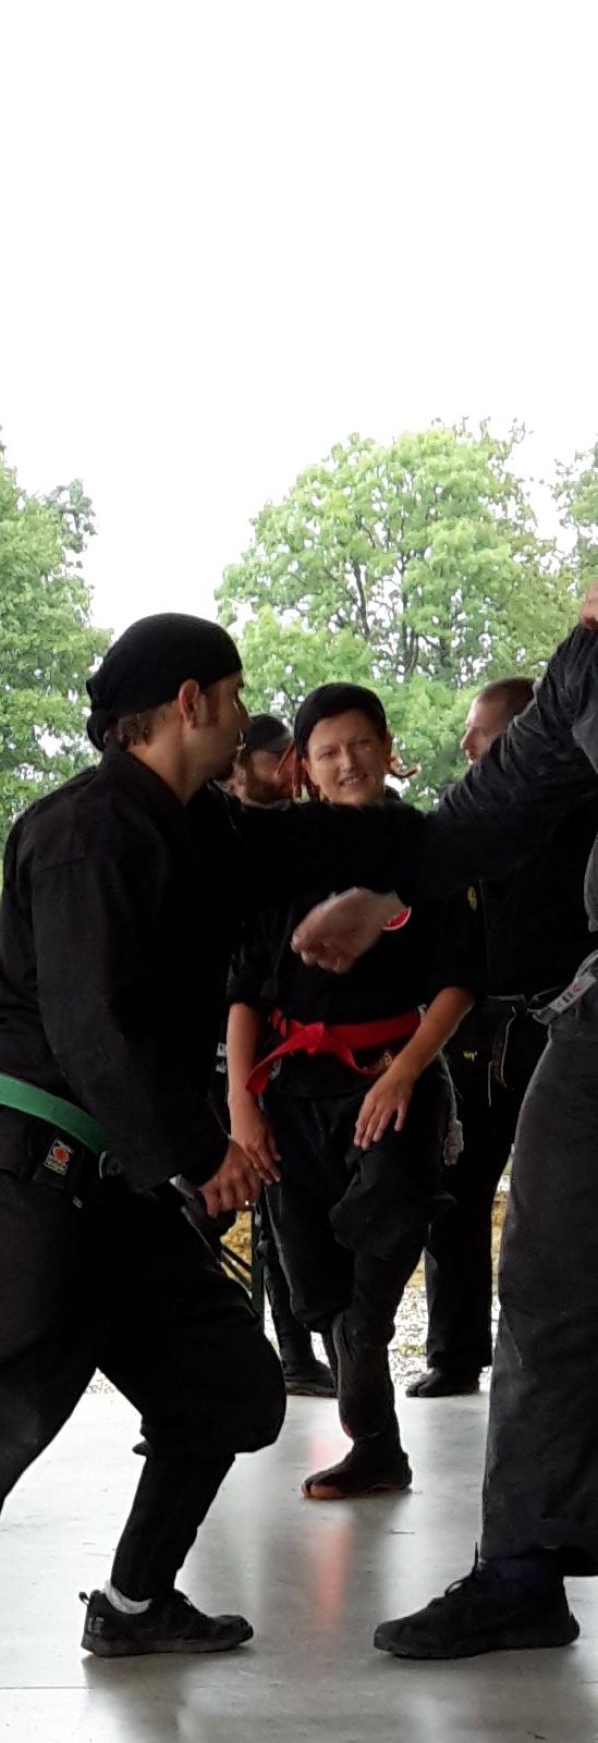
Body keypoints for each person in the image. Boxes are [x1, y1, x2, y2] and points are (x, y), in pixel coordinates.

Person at [0, 614, 429, 1741]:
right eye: (234, 696)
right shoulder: (83, 834)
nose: (247, 718)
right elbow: (91, 1031)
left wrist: (412, 865)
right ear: (191, 702)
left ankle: (134, 1605)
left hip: (117, 1189)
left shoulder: (200, 826)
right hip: (30, 1175)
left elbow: (322, 845)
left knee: (228, 1389)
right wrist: (201, 1156)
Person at [289, 604, 598, 1664]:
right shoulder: (590, 662)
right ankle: (520, 1567)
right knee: (547, 1276)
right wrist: (379, 894)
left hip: (461, 1050)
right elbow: (506, 790)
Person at [226, 681, 480, 1499]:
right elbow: (246, 992)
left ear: (388, 747)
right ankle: (377, 1445)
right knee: (317, 1286)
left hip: (393, 1081)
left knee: (383, 1238)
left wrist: (407, 1070)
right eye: (328, 750)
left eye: (361, 744)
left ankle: (367, 1368)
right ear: (302, 766)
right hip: (292, 1092)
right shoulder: (279, 853)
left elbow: (459, 979)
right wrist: (241, 1107)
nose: (348, 762)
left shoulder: (423, 847)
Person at [414, 677, 598, 1398]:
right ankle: (454, 1352)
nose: (465, 744)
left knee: (562, 1195)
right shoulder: (474, 826)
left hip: (566, 1021)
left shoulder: (581, 809)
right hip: (479, 1027)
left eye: (480, 732)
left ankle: (561, 1359)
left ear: (525, 736)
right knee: (457, 1190)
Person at [222, 713, 332, 1397]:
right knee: (213, 1206)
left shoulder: (300, 836)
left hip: (280, 1046)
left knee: (280, 1204)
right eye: (278, 758)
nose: (289, 770)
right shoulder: (214, 833)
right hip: (229, 1043)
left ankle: (296, 1351)